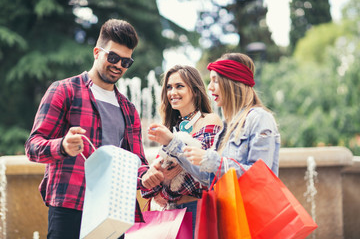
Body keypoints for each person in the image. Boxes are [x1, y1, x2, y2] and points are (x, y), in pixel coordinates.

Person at [25, 19, 149, 239]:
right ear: (96, 52)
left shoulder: (129, 110)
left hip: (113, 211)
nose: (119, 65)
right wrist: (62, 146)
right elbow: (33, 147)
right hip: (70, 205)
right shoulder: (64, 90)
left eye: (126, 62)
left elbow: (136, 163)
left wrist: (152, 175)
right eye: (113, 57)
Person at [147, 52, 280, 190]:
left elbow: (261, 176)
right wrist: (171, 142)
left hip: (251, 211)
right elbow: (207, 178)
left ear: (232, 82)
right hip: (230, 210)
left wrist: (212, 160)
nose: (209, 87)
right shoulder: (228, 126)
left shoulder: (259, 118)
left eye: (215, 81)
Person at [141, 65, 222, 234]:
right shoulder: (172, 129)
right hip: (171, 214)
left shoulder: (209, 121)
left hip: (196, 211)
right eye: (169, 87)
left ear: (194, 90)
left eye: (179, 86)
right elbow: (153, 187)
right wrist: (158, 177)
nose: (172, 92)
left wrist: (165, 184)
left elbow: (201, 178)